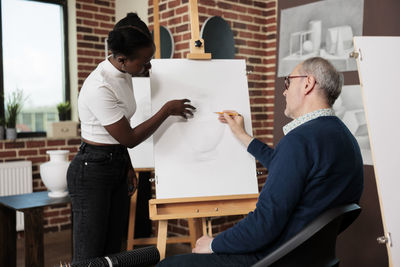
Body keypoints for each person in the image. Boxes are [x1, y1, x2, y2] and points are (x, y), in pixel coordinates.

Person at [157, 57, 364, 266]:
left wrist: (213, 244)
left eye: (288, 82)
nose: (284, 91)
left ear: (307, 84)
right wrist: (244, 136)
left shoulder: (300, 141)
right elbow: (287, 167)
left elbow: (263, 226)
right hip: (307, 257)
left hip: (271, 257)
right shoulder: (344, 139)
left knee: (167, 265)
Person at [67, 13, 195, 263]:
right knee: (89, 257)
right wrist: (167, 109)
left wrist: (126, 165)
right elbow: (129, 137)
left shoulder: (124, 73)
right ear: (123, 59)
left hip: (114, 162)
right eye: (145, 61)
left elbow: (119, 138)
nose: (148, 67)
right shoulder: (99, 86)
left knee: (113, 253)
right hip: (91, 170)